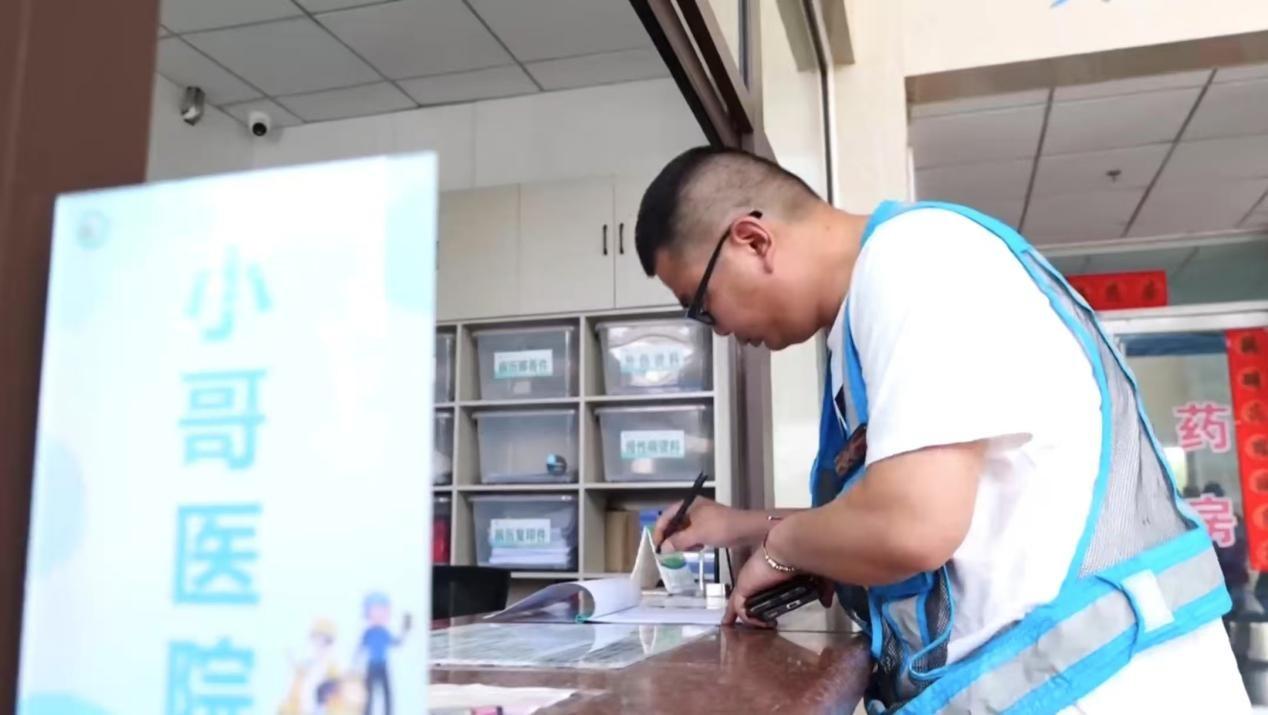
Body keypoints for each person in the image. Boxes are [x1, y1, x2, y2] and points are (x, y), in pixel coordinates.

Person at [638, 146, 1249, 713]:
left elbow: (908, 526)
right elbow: (897, 506)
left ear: (753, 241)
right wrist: (740, 525)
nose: (718, 330)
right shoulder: (864, 316)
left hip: (1102, 688)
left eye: (701, 305)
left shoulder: (915, 261)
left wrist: (783, 547)